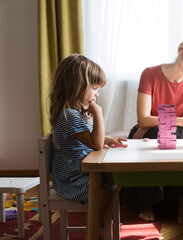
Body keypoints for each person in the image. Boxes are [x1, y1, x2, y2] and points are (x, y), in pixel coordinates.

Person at [123, 35, 183, 224]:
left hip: (174, 133)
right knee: (160, 133)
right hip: (148, 133)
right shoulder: (150, 73)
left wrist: (159, 123)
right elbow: (143, 119)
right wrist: (155, 124)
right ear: (180, 49)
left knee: (182, 135)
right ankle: (149, 202)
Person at [49, 54, 128, 225]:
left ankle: (103, 217)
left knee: (116, 177)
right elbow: (95, 144)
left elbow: (89, 138)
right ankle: (96, 225)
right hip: (72, 181)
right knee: (108, 186)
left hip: (79, 171)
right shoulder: (69, 116)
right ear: (77, 86)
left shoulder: (75, 113)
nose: (97, 94)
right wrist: (98, 112)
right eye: (94, 88)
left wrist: (108, 140)